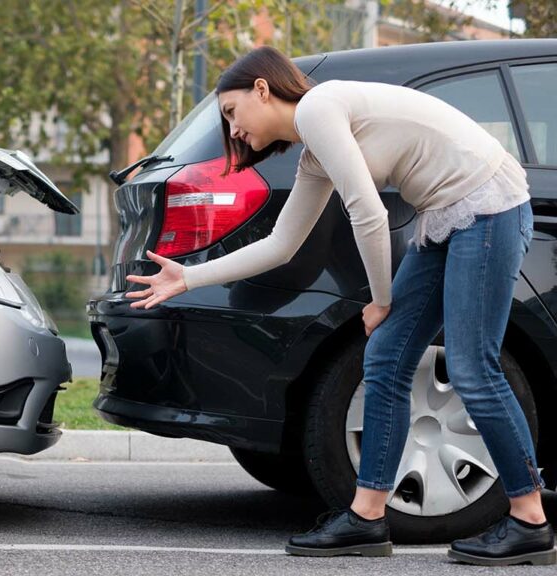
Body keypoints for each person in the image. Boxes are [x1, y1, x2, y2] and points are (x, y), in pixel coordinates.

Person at [125, 47, 552, 567]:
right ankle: (368, 516)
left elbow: (369, 215)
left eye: (232, 113)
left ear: (263, 88)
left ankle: (529, 520)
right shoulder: (315, 151)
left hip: (488, 209)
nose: (232, 130)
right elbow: (281, 244)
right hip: (448, 218)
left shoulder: (318, 108)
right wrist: (189, 276)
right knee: (387, 358)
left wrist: (379, 300)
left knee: (471, 366)